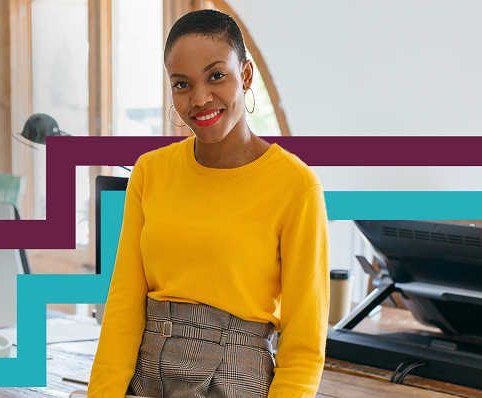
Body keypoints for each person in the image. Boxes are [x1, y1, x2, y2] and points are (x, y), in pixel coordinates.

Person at [87, 9, 329, 398]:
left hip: (235, 381)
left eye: (216, 75)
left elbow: (304, 346)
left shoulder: (296, 186)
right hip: (144, 378)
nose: (199, 98)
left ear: (246, 75)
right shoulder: (150, 172)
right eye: (182, 84)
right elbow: (123, 309)